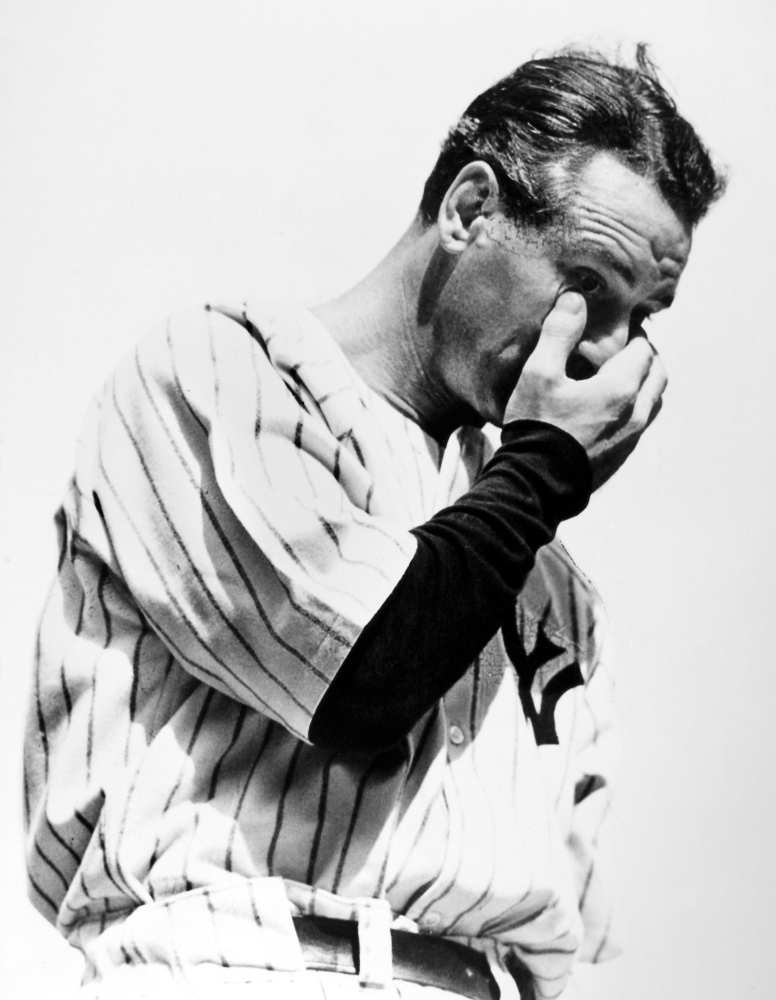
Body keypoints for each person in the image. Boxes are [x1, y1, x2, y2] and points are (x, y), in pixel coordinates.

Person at [24, 46, 724, 1000]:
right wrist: (545, 470)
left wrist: (530, 486)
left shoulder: (547, 570)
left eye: (643, 315)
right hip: (242, 960)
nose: (607, 348)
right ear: (470, 210)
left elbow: (567, 925)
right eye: (590, 286)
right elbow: (357, 679)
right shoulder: (225, 373)